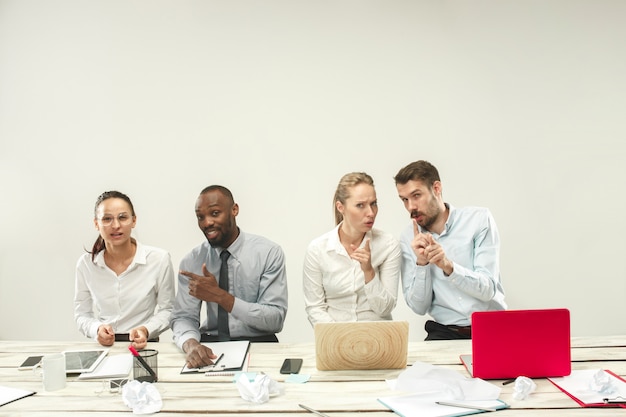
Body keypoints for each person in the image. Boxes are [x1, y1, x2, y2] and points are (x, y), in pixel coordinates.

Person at [170, 185, 288, 368]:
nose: (207, 222)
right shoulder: (192, 261)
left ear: (234, 210)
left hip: (260, 344)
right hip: (211, 345)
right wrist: (191, 344)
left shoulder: (268, 253)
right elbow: (183, 317)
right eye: (200, 217)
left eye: (215, 213)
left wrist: (220, 297)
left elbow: (275, 319)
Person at [394, 160, 506, 340]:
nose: (410, 207)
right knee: (416, 368)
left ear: (436, 188)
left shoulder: (478, 220)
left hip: (492, 328)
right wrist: (422, 263)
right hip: (445, 333)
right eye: (404, 200)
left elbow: (488, 289)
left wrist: (448, 266)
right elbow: (419, 307)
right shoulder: (409, 238)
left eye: (416, 195)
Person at [74, 191, 175, 350]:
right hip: (104, 347)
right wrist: (97, 330)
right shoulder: (86, 264)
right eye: (107, 219)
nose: (115, 225)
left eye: (122, 217)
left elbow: (168, 310)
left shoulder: (159, 259)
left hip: (145, 346)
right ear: (96, 223)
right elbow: (82, 314)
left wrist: (146, 330)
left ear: (133, 221)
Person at [303, 172, 401, 325]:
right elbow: (315, 308)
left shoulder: (388, 244)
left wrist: (369, 272)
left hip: (378, 338)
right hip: (334, 338)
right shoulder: (318, 249)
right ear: (340, 207)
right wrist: (341, 338)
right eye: (360, 205)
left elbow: (385, 309)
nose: (370, 213)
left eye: (373, 203)